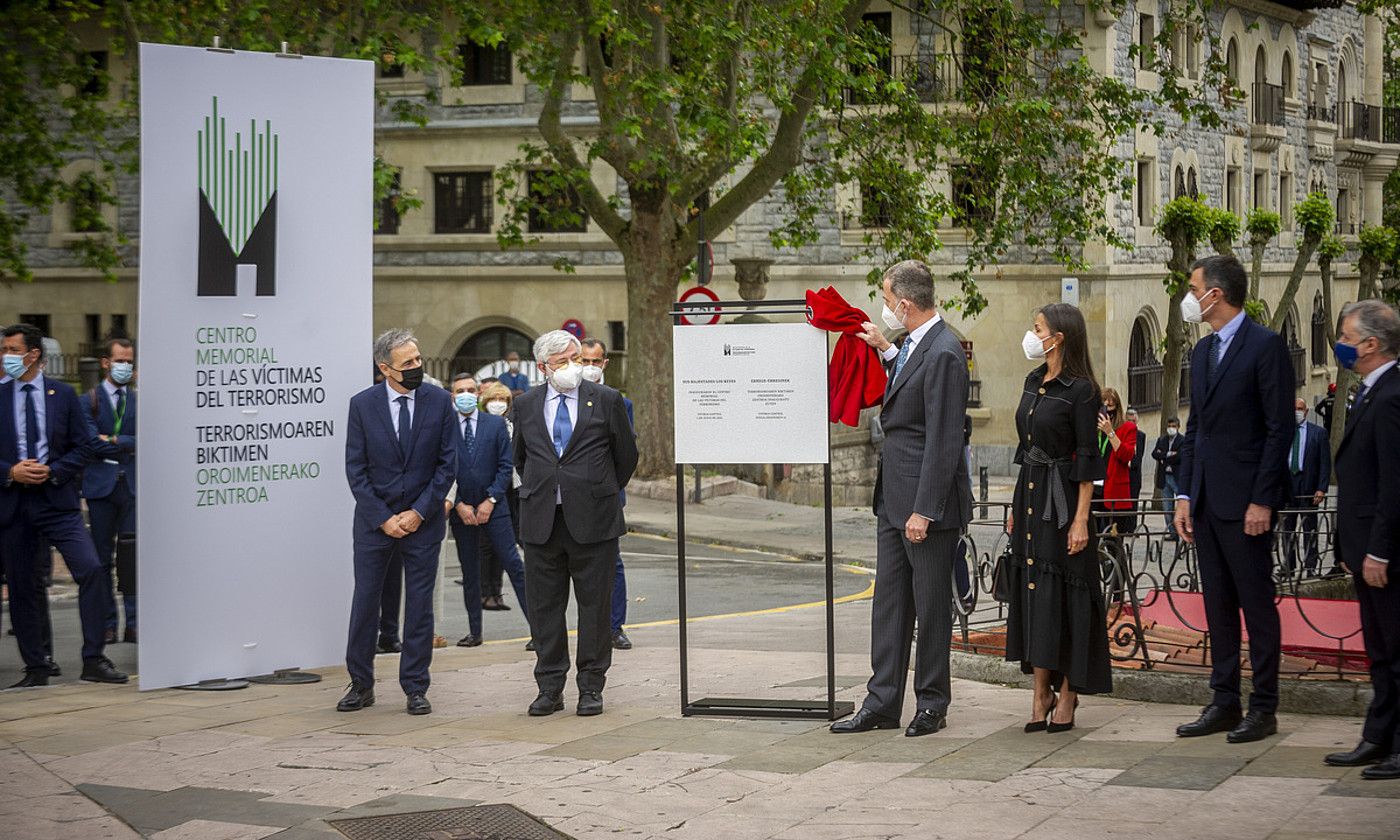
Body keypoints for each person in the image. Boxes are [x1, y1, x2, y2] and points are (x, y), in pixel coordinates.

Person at [833, 260, 972, 738]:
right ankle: (882, 702)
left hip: (924, 509)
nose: (886, 308)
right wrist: (885, 349)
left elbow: (944, 439)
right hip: (893, 502)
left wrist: (925, 510)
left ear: (906, 304)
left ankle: (931, 704)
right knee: (889, 606)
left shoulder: (946, 352)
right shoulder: (915, 346)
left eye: (888, 300)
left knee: (930, 608)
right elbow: (908, 389)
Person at [1173, 255, 1293, 744]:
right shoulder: (1202, 352)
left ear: (1215, 294)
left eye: (1193, 286)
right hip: (1205, 501)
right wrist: (1184, 492)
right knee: (1218, 605)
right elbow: (1195, 427)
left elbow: (1277, 429)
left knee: (1256, 606)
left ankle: (1264, 707)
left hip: (1247, 506)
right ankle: (1224, 699)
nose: (1189, 295)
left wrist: (1262, 499)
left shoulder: (1265, 347)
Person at [514, 329, 637, 717]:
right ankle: (549, 687)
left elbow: (626, 456)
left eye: (577, 358)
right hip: (542, 522)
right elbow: (521, 458)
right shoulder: (527, 404)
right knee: (545, 609)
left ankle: (591, 686)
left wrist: (595, 488)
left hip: (594, 522)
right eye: (562, 361)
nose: (572, 367)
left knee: (594, 608)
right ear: (542, 368)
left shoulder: (606, 400)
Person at [1004, 303, 1112, 733]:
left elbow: (1087, 460)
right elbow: (1025, 449)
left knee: (1066, 597)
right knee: (1033, 595)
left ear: (1059, 337)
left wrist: (1082, 520)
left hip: (1064, 502)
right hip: (1030, 496)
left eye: (1038, 329)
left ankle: (1068, 692)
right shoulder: (1034, 380)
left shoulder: (1082, 390)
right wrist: (1015, 508)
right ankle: (1039, 691)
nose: (1032, 336)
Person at [1, 323, 126, 687]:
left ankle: (94, 658)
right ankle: (37, 667)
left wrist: (54, 471)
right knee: (24, 587)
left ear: (33, 353)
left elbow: (86, 445)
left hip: (57, 501)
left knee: (90, 569)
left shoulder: (63, 395)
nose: (6, 356)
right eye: (5, 350)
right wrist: (11, 471)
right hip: (14, 504)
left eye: (12, 349)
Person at [340, 329, 456, 716]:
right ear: (384, 368)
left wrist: (419, 512)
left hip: (422, 523)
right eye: (407, 364)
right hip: (375, 525)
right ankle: (360, 684)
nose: (416, 368)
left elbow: (446, 465)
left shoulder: (440, 402)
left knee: (420, 607)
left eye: (418, 360)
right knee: (366, 603)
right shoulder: (362, 405)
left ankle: (416, 687)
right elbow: (355, 470)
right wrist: (384, 518)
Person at [1325, 300, 1400, 779]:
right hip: (1363, 547)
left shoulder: (1393, 396)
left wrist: (1378, 549)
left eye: (1348, 339)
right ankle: (1377, 736)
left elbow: (1394, 482)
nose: (1342, 347)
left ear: (1371, 345)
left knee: (1394, 650)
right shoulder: (1371, 391)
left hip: (1384, 553)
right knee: (1378, 649)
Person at [446, 373, 530, 647]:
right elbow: (441, 468)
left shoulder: (494, 425)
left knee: (515, 566)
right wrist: (458, 504)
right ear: (453, 395)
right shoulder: (444, 428)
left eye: (471, 389)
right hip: (463, 513)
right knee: (471, 572)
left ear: (478, 395)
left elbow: (506, 466)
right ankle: (475, 631)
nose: (466, 394)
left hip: (495, 509)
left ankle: (540, 631)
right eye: (461, 390)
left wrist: (490, 500)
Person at [579, 337, 635, 650]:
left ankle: (615, 627)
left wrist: (611, 487)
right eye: (584, 361)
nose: (590, 367)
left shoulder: (619, 402)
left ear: (604, 363)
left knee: (612, 563)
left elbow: (626, 452)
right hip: (571, 495)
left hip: (606, 495)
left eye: (595, 361)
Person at [82, 337, 138, 643]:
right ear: (105, 363)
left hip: (130, 484)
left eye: (129, 361)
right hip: (100, 486)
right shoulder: (88, 400)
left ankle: (134, 621)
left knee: (131, 556)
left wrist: (115, 441)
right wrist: (124, 443)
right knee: (101, 558)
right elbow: (89, 442)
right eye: (120, 361)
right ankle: (106, 622)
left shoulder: (139, 400)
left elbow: (146, 439)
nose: (125, 367)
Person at [1281, 397, 1331, 574]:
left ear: (1306, 411)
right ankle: (1289, 565)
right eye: (1294, 408)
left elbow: (1325, 463)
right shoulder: (1282, 433)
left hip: (1308, 485)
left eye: (1300, 408)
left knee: (1309, 528)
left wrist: (1322, 488)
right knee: (1287, 529)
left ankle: (1311, 566)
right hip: (1288, 485)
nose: (1297, 412)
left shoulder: (1318, 433)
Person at [1092, 388, 1136, 537]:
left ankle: (1114, 558)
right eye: (1103, 406)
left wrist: (1110, 432)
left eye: (1110, 406)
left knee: (1114, 538)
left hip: (1114, 492)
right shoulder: (1092, 429)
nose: (1106, 411)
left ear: (1117, 407)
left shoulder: (1127, 428)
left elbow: (1126, 455)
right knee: (1093, 535)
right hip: (1093, 489)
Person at [1150, 417, 1183, 537]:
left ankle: (1183, 531)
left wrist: (1163, 456)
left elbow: (1180, 457)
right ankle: (1172, 533)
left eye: (1174, 426)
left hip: (1177, 477)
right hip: (1164, 477)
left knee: (1181, 504)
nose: (1171, 429)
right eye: (1169, 426)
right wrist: (1169, 454)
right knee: (1167, 507)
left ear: (1178, 427)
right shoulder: (1162, 440)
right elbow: (1154, 454)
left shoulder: (1182, 440)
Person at [1125, 407, 1147, 532]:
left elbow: (1139, 455)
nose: (1131, 423)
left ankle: (1132, 528)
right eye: (1129, 421)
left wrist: (1132, 463)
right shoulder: (1122, 433)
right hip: (1123, 472)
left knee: (1134, 502)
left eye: (1133, 421)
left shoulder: (1141, 436)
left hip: (1134, 473)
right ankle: (1124, 526)